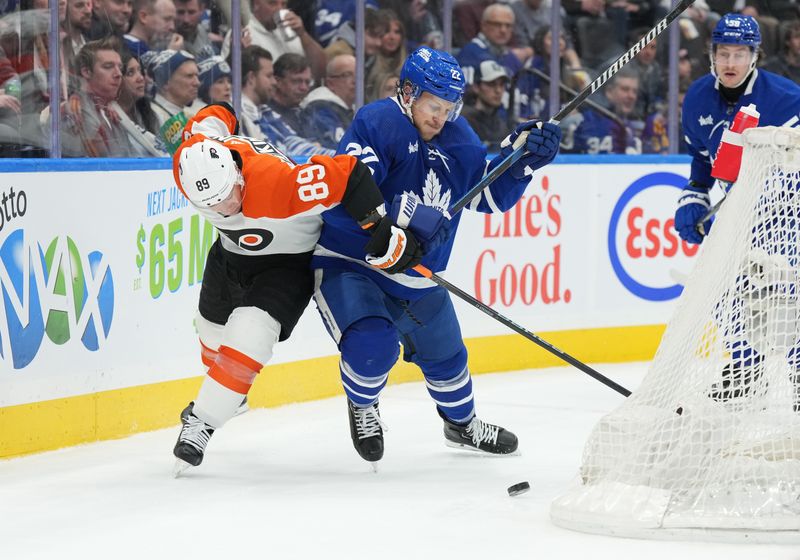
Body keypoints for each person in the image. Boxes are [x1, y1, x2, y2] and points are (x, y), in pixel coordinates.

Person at [312, 47, 561, 464]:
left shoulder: (460, 138)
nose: (440, 118)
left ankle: (461, 425)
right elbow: (351, 189)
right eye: (433, 105)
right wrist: (380, 229)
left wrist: (520, 163)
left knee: (448, 356)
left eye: (449, 108)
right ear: (408, 93)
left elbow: (488, 199)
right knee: (373, 346)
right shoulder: (378, 122)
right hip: (352, 264)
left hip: (417, 274)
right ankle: (363, 404)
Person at [170, 101, 424, 473]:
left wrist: (380, 227)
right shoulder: (189, 160)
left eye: (229, 195)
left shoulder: (281, 183)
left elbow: (349, 175)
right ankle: (228, 394)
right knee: (211, 340)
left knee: (250, 338)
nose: (226, 208)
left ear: (237, 174)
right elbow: (215, 114)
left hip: (287, 265)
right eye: (212, 204)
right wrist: (224, 108)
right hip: (230, 255)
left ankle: (201, 423)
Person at [674, 13, 800, 403]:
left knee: (790, 295)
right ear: (711, 55)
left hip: (790, 210)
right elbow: (701, 158)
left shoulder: (786, 98)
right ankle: (745, 367)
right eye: (723, 53)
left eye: (739, 54)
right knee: (723, 286)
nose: (730, 63)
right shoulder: (697, 97)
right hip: (741, 211)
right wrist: (694, 195)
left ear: (754, 56)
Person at [237, 45, 333, 156]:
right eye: (269, 76)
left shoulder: (264, 111)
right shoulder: (237, 115)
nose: (274, 82)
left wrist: (338, 157)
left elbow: (290, 141)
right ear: (251, 78)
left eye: (307, 82)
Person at [561, 67, 643, 155]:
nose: (631, 96)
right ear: (609, 92)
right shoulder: (585, 121)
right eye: (625, 89)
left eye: (634, 91)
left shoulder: (633, 128)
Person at [300, 53, 355, 150]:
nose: (355, 80)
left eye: (358, 75)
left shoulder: (356, 108)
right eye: (347, 75)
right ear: (330, 83)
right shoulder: (319, 109)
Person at [461, 59, 510, 151]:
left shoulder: (502, 125)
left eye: (502, 84)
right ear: (476, 87)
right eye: (491, 84)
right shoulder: (462, 121)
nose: (498, 90)